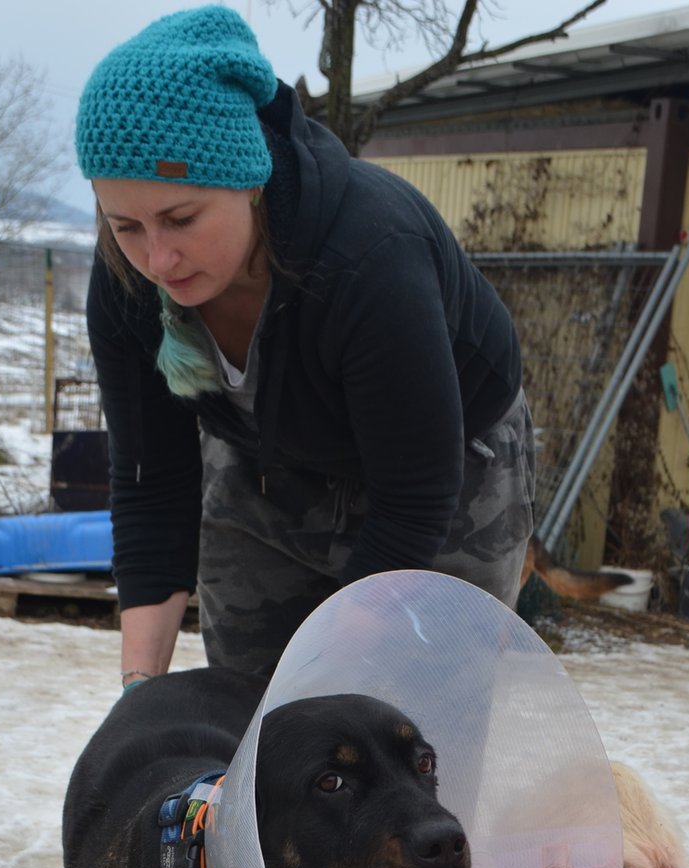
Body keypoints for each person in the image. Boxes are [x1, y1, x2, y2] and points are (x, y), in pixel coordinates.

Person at [75, 4, 535, 688]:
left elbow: (415, 496)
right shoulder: (128, 283)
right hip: (269, 462)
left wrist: (318, 676)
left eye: (182, 218)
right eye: (126, 226)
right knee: (254, 722)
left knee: (412, 734)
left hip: (446, 474)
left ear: (249, 179)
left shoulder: (370, 256)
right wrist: (138, 695)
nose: (159, 259)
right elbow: (152, 486)